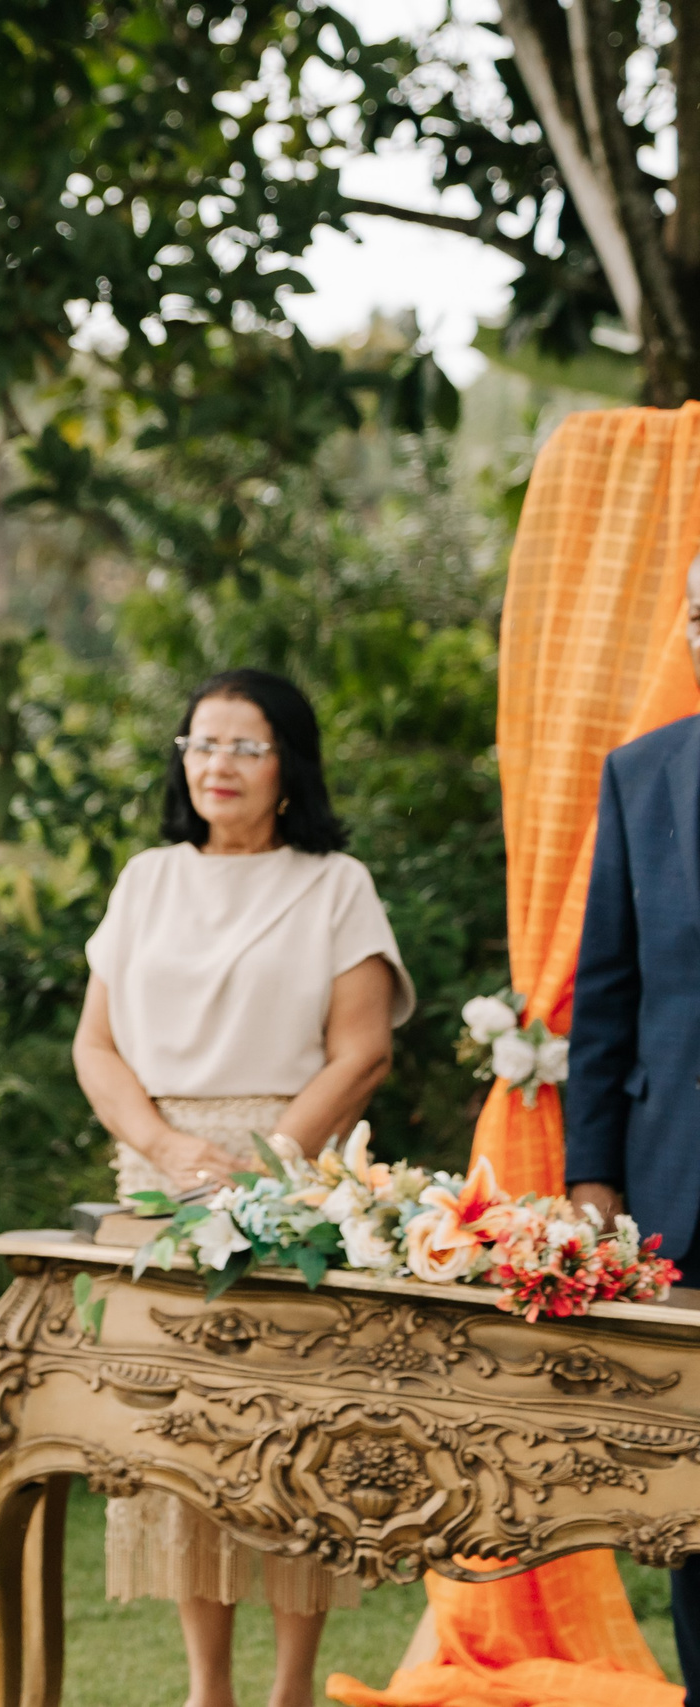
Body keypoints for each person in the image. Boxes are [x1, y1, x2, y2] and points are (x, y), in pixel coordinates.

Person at [71, 667, 414, 1707]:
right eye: (199, 744)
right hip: (158, 1190)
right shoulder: (145, 879)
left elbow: (360, 1057)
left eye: (244, 746)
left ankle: (292, 1688)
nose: (216, 764)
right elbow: (95, 1047)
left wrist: (261, 1166)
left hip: (295, 1194)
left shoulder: (333, 883)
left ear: (287, 766)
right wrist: (170, 1152)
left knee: (296, 1441)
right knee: (183, 1442)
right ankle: (205, 1689)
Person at [565, 551, 700, 1698]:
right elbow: (604, 998)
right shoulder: (641, 775)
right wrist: (594, 1181)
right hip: (680, 1199)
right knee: (696, 1502)